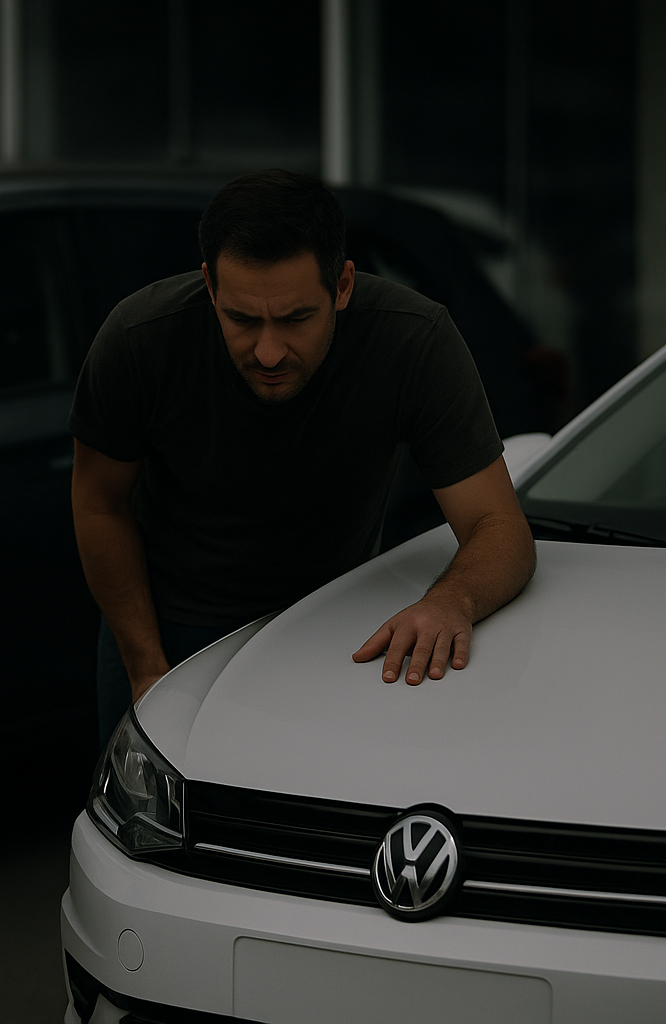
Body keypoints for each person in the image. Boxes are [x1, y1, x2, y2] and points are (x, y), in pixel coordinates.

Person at [70, 169, 536, 751]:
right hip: (168, 628)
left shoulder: (413, 341)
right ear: (211, 286)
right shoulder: (140, 337)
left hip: (335, 627)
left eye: (295, 319)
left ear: (342, 287)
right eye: (241, 319)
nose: (268, 351)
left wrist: (449, 603)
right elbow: (98, 505)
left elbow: (500, 528)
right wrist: (146, 667)